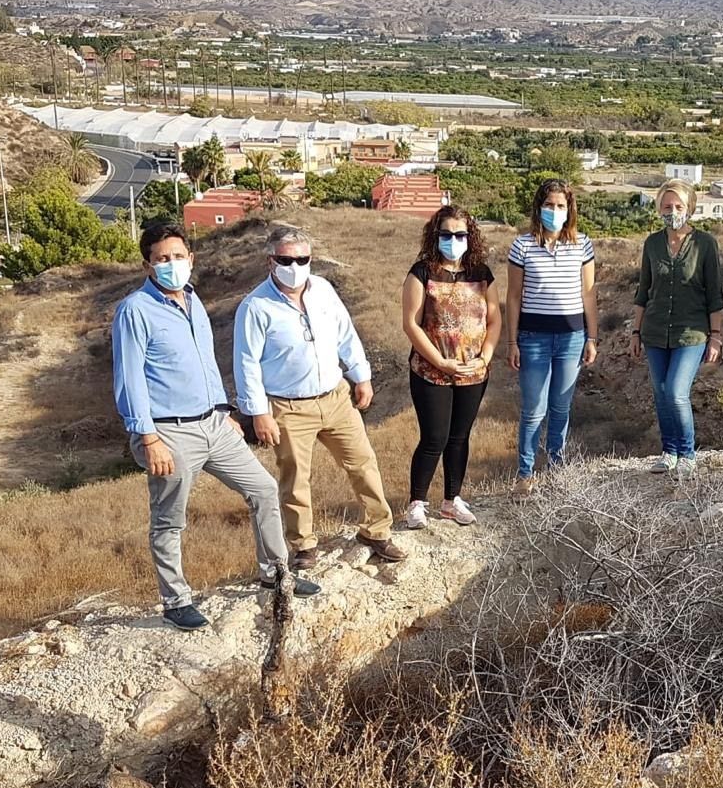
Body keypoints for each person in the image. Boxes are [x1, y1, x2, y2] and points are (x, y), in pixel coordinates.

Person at [112, 222, 320, 631]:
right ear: (147, 265)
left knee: (263, 489)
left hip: (214, 423)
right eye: (161, 259)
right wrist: (148, 438)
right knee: (170, 519)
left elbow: (205, 363)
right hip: (169, 432)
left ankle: (276, 573)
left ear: (191, 259)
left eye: (178, 256)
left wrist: (224, 410)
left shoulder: (193, 301)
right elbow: (129, 378)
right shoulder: (135, 310)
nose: (171, 264)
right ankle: (176, 601)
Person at [232, 224, 407, 570]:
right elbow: (246, 362)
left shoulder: (324, 290)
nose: (295, 266)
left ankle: (377, 530)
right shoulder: (255, 306)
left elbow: (346, 334)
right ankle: (303, 546)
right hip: (288, 406)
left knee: (363, 463)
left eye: (302, 259)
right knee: (295, 478)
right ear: (270, 261)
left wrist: (361, 376)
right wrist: (258, 413)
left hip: (336, 397)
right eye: (286, 260)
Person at [400, 205, 501, 528]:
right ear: (435, 236)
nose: (453, 240)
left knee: (459, 437)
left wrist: (485, 356)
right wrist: (440, 361)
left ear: (470, 237)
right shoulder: (422, 273)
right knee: (434, 437)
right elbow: (411, 324)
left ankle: (451, 500)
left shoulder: (481, 274)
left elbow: (494, 319)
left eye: (460, 234)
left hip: (473, 373)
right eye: (446, 234)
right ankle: (417, 503)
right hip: (431, 372)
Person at [506, 178, 599, 497]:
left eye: (560, 205)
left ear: (569, 209)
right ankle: (525, 474)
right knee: (534, 409)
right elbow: (514, 296)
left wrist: (592, 337)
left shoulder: (583, 244)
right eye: (549, 205)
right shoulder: (522, 246)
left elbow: (589, 294)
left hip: (572, 338)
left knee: (561, 407)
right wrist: (512, 342)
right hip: (533, 338)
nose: (555, 211)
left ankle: (557, 469)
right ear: (539, 207)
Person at [629, 178, 723, 477]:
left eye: (679, 206)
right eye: (667, 206)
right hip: (655, 331)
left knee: (676, 392)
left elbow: (715, 294)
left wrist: (716, 337)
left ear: (690, 208)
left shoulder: (705, 244)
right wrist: (635, 332)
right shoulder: (652, 243)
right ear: (659, 209)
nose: (673, 212)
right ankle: (669, 452)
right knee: (661, 394)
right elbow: (644, 291)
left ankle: (687, 454)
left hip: (691, 332)